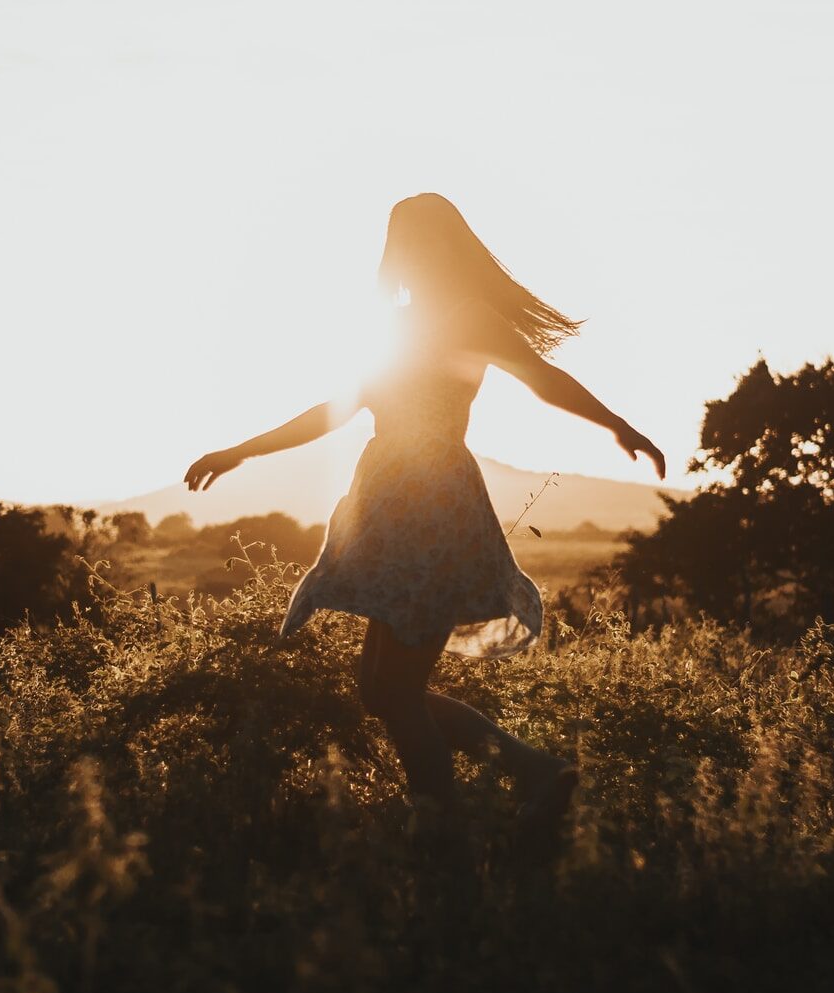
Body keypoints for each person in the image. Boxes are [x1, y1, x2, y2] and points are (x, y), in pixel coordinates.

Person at [184, 193, 665, 841]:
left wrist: (618, 425)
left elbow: (543, 380)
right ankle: (533, 771)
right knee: (380, 692)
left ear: (447, 248)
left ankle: (442, 834)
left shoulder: (472, 317)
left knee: (399, 693)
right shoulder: (395, 326)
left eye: (420, 244)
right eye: (401, 245)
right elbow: (335, 407)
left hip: (435, 512)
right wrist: (241, 450)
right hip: (386, 515)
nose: (407, 257)